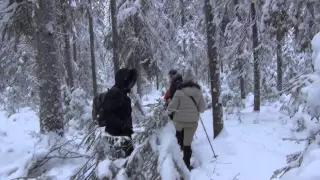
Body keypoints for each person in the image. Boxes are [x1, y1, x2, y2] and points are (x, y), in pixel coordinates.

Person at [166, 68, 206, 170]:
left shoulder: (179, 92)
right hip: (192, 122)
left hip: (179, 122)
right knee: (187, 143)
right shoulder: (198, 92)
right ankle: (186, 164)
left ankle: (177, 162)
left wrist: (167, 114)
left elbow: (172, 107)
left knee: (177, 139)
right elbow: (202, 109)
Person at [97, 68, 138, 157]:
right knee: (120, 162)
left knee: (127, 160)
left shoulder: (121, 93)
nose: (132, 84)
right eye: (130, 81)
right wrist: (122, 126)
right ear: (123, 80)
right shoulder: (114, 93)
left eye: (132, 82)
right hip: (116, 135)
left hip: (123, 134)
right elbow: (108, 114)